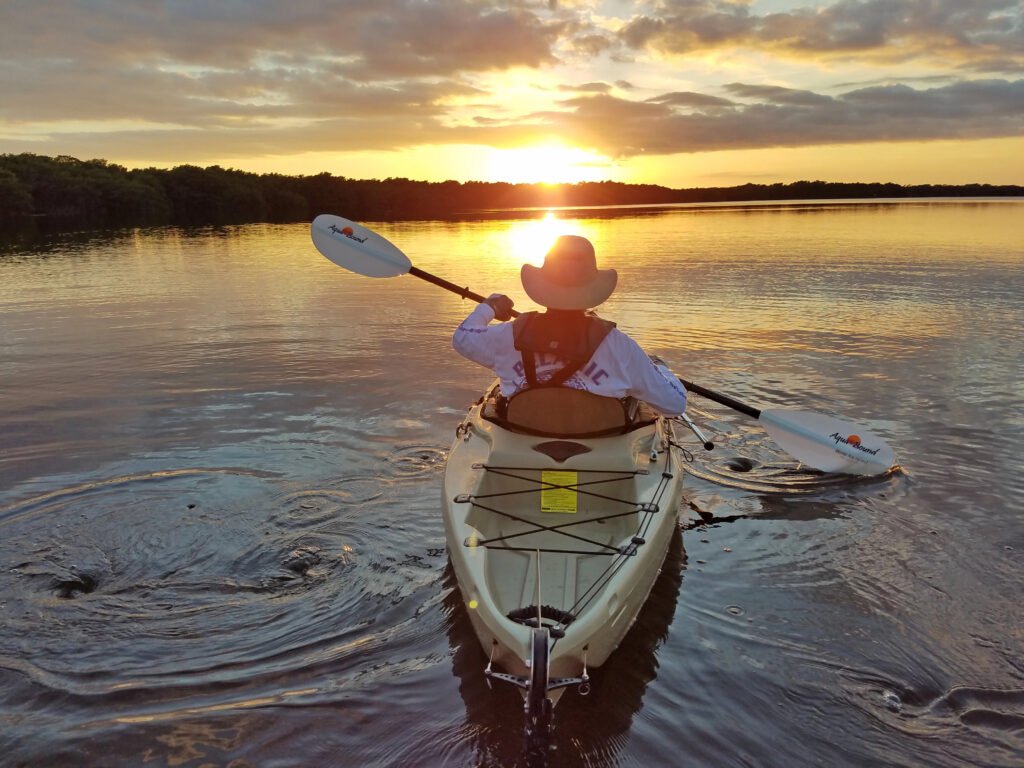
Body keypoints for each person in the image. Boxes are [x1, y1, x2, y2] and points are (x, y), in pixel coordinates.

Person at [452, 234, 687, 416]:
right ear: (592, 288)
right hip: (599, 450)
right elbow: (674, 405)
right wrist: (659, 369)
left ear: (543, 285)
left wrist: (489, 306)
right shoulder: (620, 346)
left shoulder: (508, 335)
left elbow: (463, 338)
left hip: (522, 446)